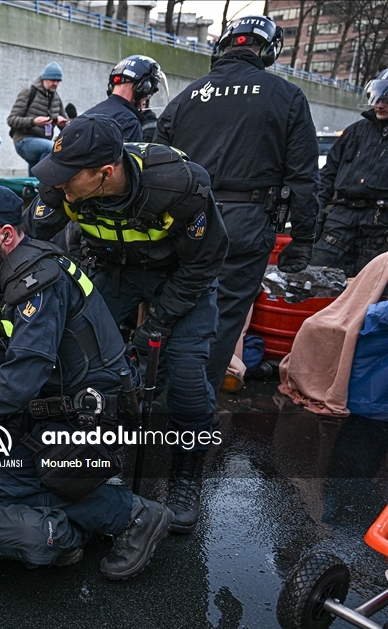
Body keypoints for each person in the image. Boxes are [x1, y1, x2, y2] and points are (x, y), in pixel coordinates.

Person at [0, 186, 174, 579]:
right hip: (55, 404)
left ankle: (136, 516)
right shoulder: (2, 281)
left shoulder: (38, 281)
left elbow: (22, 377)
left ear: (6, 235)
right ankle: (73, 523)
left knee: (9, 488)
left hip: (93, 414)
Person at [27, 114, 228, 536]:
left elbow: (204, 263)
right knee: (69, 350)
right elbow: (32, 238)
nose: (57, 183)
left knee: (188, 375)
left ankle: (186, 476)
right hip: (114, 268)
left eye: (68, 177)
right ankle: (81, 452)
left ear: (105, 172)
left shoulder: (180, 185)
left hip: (181, 278)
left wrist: (157, 322)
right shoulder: (62, 181)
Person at [154, 15, 320, 395]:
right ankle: (193, 409)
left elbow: (159, 163)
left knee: (175, 308)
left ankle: (159, 398)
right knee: (224, 318)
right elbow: (304, 177)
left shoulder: (187, 96)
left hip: (185, 218)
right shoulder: (286, 95)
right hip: (245, 225)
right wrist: (305, 238)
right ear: (267, 50)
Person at [310, 69, 388, 277]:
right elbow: (328, 173)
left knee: (370, 287)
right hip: (342, 215)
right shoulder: (356, 131)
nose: (380, 104)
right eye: (378, 98)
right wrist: (315, 211)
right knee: (318, 275)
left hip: (380, 223)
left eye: (387, 100)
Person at [82, 55, 162, 142]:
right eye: (148, 94)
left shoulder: (86, 114)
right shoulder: (129, 123)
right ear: (143, 88)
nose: (145, 99)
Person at [7, 61, 68, 170]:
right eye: (53, 80)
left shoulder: (56, 98)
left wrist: (63, 124)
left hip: (43, 141)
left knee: (35, 178)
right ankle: (44, 182)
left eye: (58, 81)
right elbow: (11, 120)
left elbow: (67, 125)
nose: (56, 84)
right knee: (51, 148)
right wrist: (33, 121)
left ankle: (36, 186)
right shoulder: (29, 92)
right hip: (24, 140)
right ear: (44, 78)